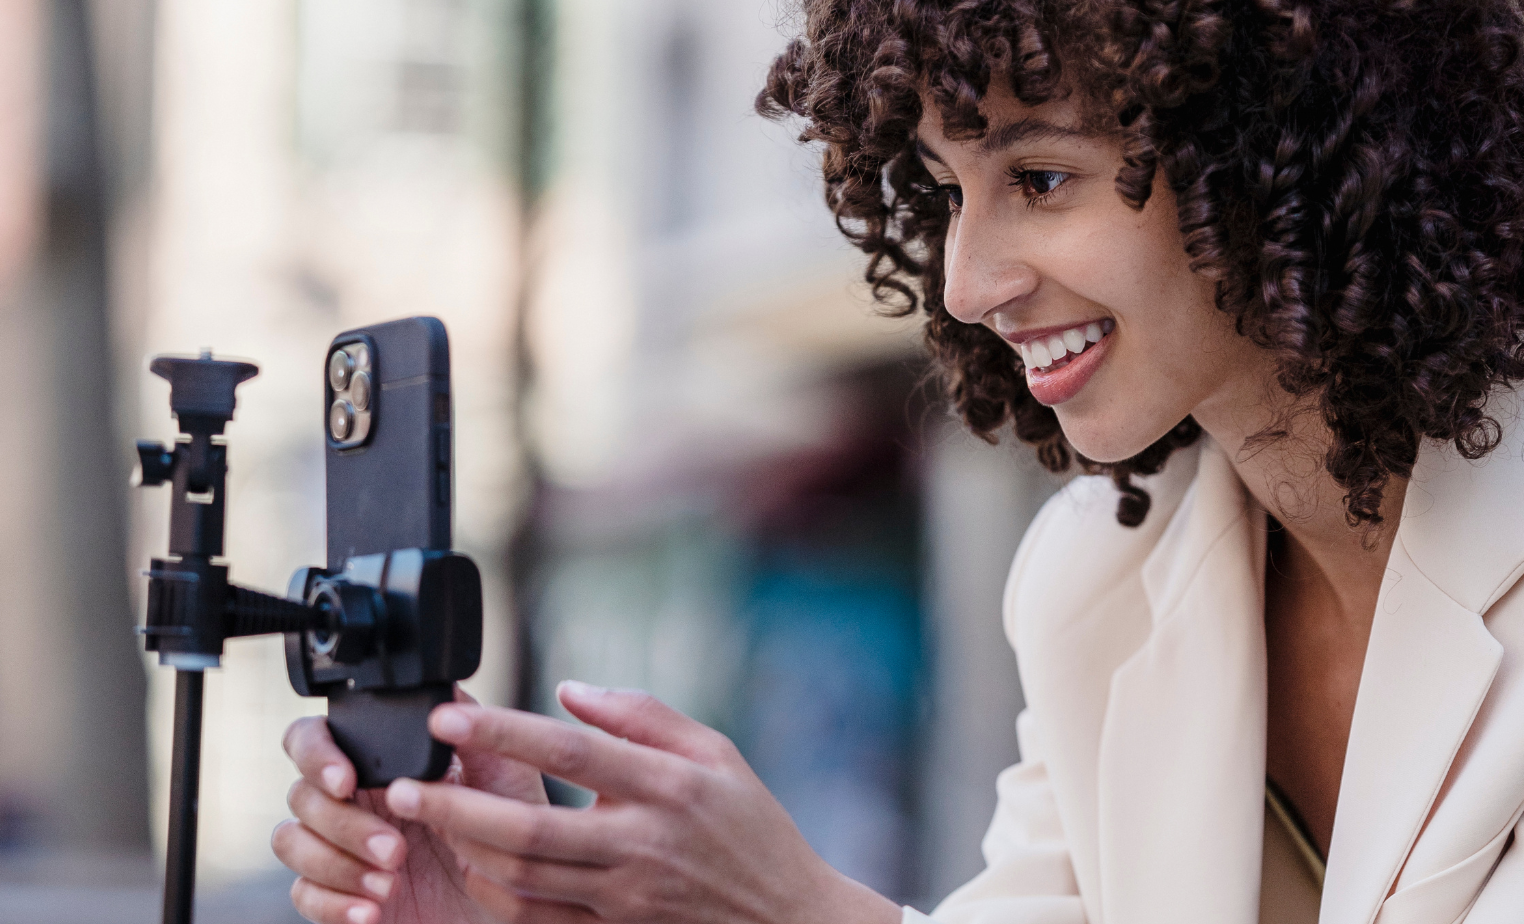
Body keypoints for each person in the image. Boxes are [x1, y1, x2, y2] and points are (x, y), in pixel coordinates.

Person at [272, 1, 1524, 922]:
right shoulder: (1096, 583)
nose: (967, 284)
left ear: (1279, 151)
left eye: (1040, 177)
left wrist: (796, 909)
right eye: (943, 190)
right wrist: (551, 906)